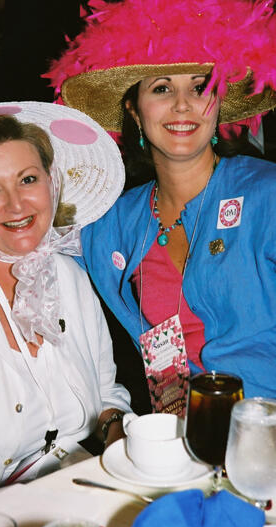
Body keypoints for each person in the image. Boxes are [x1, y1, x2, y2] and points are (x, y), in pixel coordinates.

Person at [46, 0, 276, 413]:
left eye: (200, 86)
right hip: (176, 441)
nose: (183, 104)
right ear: (134, 109)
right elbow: (31, 258)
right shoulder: (111, 222)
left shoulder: (267, 195)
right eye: (162, 88)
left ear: (219, 101)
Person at [0, 101, 131, 510]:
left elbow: (105, 393)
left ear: (52, 183)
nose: (17, 205)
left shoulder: (69, 277)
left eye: (28, 179)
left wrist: (117, 429)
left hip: (81, 496)